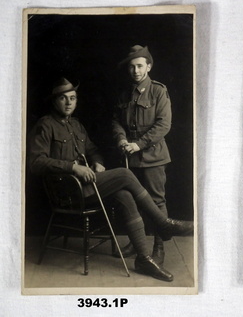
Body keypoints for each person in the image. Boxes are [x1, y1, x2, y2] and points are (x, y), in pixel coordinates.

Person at [29, 78, 193, 282]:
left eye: (72, 98)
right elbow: (36, 163)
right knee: (125, 175)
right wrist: (73, 167)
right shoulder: (45, 125)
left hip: (86, 187)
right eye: (63, 98)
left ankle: (143, 258)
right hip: (67, 193)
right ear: (54, 101)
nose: (69, 103)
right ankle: (163, 223)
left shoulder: (77, 125)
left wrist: (97, 163)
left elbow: (93, 150)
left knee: (124, 193)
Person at [112, 45, 172, 265]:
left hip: (153, 156)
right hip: (130, 157)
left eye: (139, 66)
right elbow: (116, 120)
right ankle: (137, 243)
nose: (135, 71)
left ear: (148, 66)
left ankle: (158, 246)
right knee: (132, 203)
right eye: (132, 67)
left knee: (156, 202)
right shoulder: (124, 93)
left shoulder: (158, 91)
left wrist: (138, 144)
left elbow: (164, 124)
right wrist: (121, 139)